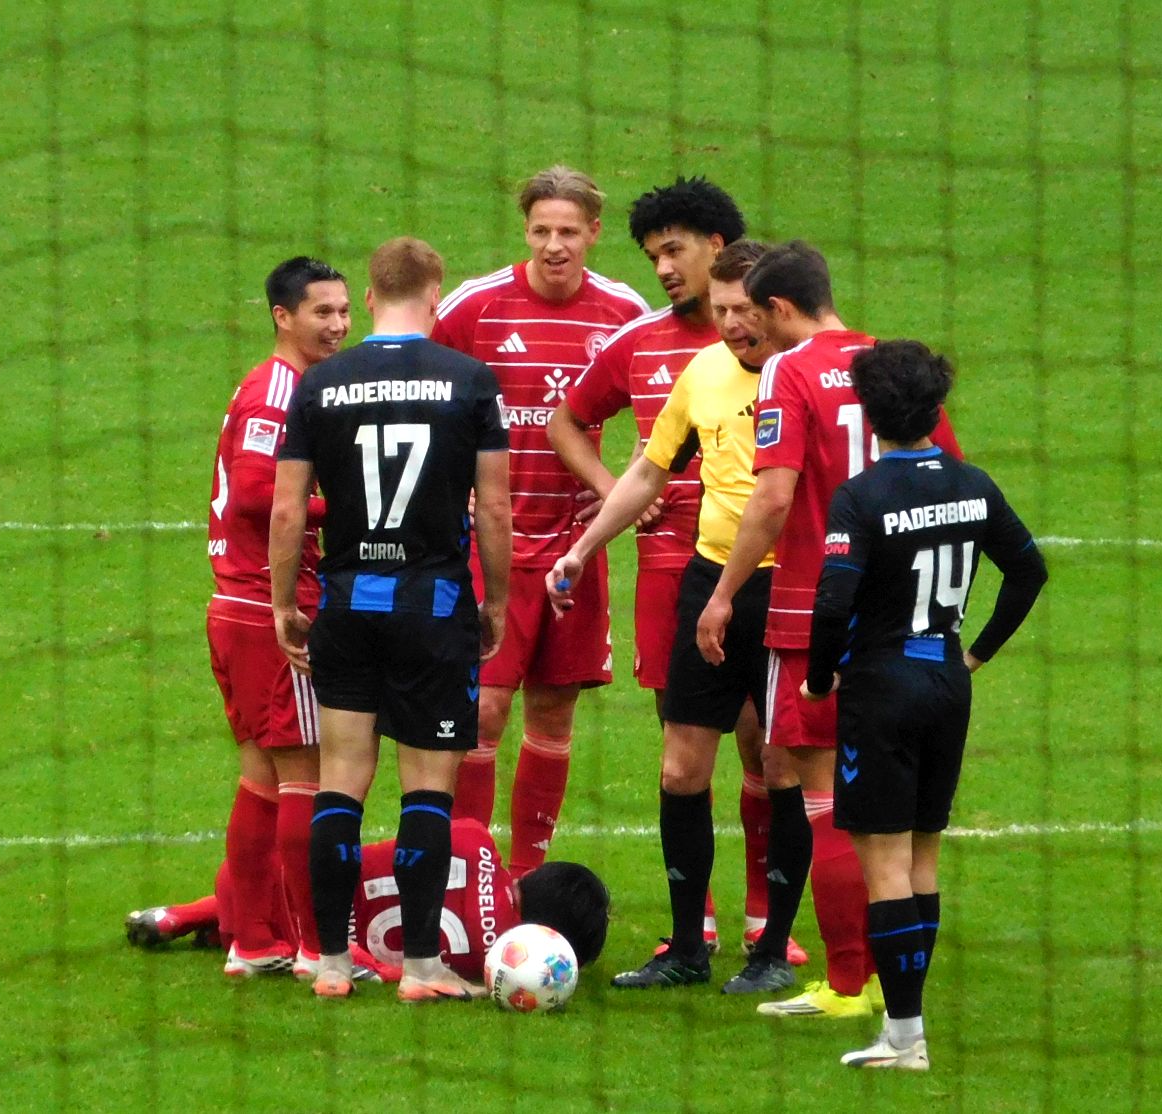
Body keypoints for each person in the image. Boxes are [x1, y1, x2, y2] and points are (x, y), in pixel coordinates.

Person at [697, 241, 964, 1020]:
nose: (750, 330)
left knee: (824, 799)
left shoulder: (790, 370)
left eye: (757, 314)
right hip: (906, 623)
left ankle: (849, 982)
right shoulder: (895, 367)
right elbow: (946, 478)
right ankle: (894, 984)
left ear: (782, 307)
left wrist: (723, 594)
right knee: (902, 816)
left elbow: (774, 497)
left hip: (813, 614)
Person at [550, 178, 800, 962]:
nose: (730, 324)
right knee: (682, 758)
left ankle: (769, 930)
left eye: (674, 250)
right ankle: (692, 941)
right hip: (694, 578)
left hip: (787, 586)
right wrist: (585, 542)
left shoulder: (809, 371)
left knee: (773, 755)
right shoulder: (687, 364)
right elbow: (639, 465)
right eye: (721, 311)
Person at [270, 236, 512, 1003]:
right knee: (428, 789)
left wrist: (284, 603)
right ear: (436, 296)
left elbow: (287, 510)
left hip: (347, 608)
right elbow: (495, 508)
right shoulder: (470, 379)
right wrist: (496, 602)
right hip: (432, 611)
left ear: (370, 298)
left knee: (340, 781)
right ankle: (420, 966)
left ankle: (331, 964)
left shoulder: (320, 382)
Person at [802, 340, 1046, 1069]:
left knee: (885, 865)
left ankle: (905, 1038)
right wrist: (975, 654)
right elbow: (1029, 571)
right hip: (946, 681)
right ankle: (906, 1021)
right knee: (924, 858)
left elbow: (832, 602)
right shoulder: (974, 484)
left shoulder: (861, 496)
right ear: (937, 410)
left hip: (882, 689)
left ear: (868, 413)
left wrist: (818, 678)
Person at [433, 167, 650, 876]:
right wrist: (451, 487)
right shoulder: (475, 308)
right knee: (483, 713)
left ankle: (525, 878)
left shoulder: (624, 311)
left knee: (554, 715)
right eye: (541, 230)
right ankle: (471, 872)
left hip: (577, 545)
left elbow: (668, 412)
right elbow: (423, 398)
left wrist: (623, 489)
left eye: (568, 232)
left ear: (594, 233)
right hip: (490, 544)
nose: (554, 245)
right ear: (525, 231)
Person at [197, 256, 349, 979]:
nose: (338, 325)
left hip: (237, 605)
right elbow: (258, 492)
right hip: (269, 606)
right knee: (306, 774)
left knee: (260, 777)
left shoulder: (283, 384)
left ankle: (254, 941)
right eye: (322, 312)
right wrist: (348, 505)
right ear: (282, 317)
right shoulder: (279, 390)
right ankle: (317, 948)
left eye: (344, 310)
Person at [123, 820, 612, 982]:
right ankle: (210, 928)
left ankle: (182, 915)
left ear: (534, 877)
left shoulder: (474, 837)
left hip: (256, 882)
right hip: (308, 951)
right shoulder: (491, 966)